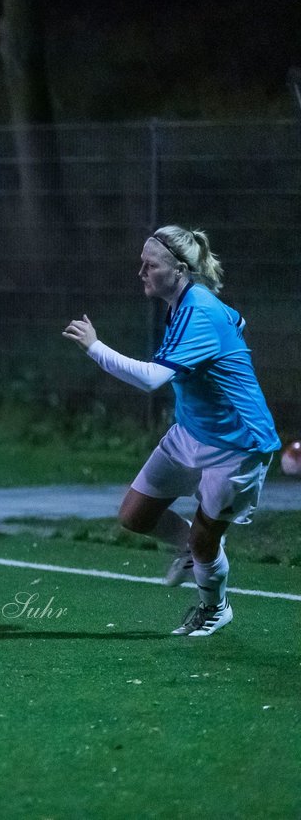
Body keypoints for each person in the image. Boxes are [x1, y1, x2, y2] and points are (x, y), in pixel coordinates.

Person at [62, 226, 279, 637]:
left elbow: (150, 380)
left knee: (204, 542)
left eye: (150, 265)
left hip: (237, 445)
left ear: (179, 270)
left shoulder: (199, 311)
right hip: (192, 432)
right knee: (135, 515)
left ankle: (215, 608)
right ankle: (191, 550)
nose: (141, 272)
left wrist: (94, 346)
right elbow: (238, 321)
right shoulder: (185, 305)